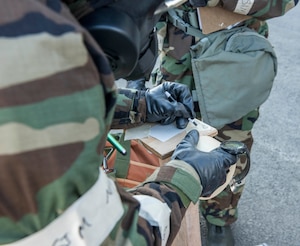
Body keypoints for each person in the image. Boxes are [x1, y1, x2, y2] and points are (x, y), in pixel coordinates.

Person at [0, 0, 239, 245]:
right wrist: (187, 177)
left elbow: (42, 105)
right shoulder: (32, 58)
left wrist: (138, 105)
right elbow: (109, 239)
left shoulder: (22, 33)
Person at [142, 1, 298, 245]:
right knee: (169, 133)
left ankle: (220, 217)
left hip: (234, 56)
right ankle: (171, 206)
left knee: (229, 143)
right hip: (175, 52)